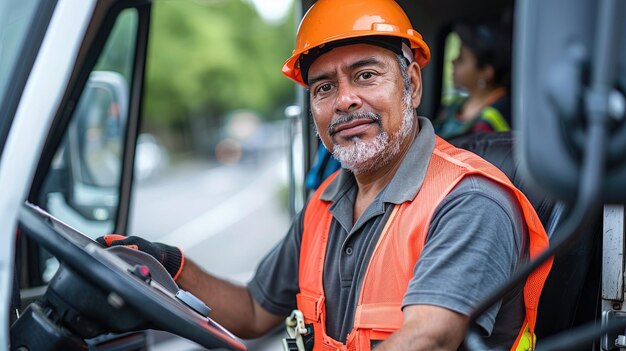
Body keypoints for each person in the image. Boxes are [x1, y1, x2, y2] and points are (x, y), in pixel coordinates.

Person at [98, 1, 552, 350]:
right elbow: (256, 310)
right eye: (325, 87)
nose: (344, 101)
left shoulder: (469, 199)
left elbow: (427, 338)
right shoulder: (326, 202)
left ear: (411, 83)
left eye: (366, 75)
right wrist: (171, 266)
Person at [434, 22, 512, 140]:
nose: (453, 61)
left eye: (461, 58)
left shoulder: (495, 119)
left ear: (486, 72)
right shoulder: (456, 105)